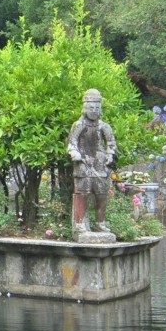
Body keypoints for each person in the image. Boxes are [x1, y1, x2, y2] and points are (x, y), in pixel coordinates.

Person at [67, 89, 117, 234]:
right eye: (91, 107)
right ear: (85, 108)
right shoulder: (78, 125)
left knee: (101, 195)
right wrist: (75, 153)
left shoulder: (104, 126)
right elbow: (72, 143)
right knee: (82, 193)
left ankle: (100, 223)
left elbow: (111, 143)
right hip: (83, 163)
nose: (94, 111)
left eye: (97, 108)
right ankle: (79, 223)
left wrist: (110, 154)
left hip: (100, 164)